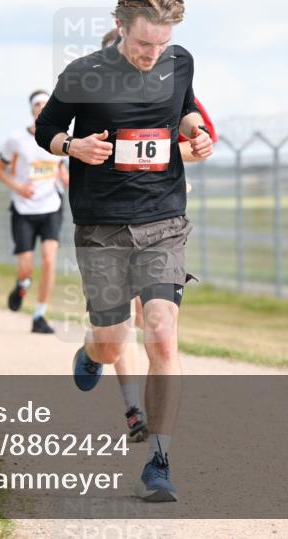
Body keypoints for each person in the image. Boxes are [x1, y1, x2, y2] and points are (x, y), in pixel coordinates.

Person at [36, 0, 213, 502]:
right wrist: (73, 147)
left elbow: (181, 110)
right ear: (119, 27)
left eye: (161, 43)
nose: (152, 54)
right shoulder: (83, 75)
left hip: (163, 220)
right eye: (142, 43)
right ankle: (93, 351)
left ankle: (158, 459)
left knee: (160, 333)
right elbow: (45, 130)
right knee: (114, 342)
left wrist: (194, 132)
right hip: (102, 228)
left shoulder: (178, 62)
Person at [98, 27, 219, 444]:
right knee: (115, 333)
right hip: (110, 222)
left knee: (158, 325)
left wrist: (180, 144)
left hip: (163, 223)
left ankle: (150, 436)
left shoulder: (173, 85)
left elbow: (201, 140)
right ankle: (122, 388)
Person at [0, 89, 68, 335]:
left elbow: (61, 169)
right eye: (37, 104)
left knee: (49, 259)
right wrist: (18, 187)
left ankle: (39, 315)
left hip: (51, 207)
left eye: (46, 104)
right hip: (23, 209)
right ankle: (22, 285)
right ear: (31, 109)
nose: (41, 108)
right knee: (26, 266)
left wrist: (72, 183)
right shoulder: (16, 139)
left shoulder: (59, 137)